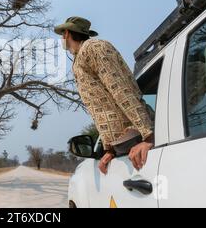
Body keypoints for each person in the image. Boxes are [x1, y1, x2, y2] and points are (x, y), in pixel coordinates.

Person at [55, 17, 155, 175]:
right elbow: (100, 110)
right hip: (123, 146)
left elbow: (121, 90)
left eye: (62, 34)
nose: (61, 39)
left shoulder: (94, 47)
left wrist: (148, 136)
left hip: (137, 140)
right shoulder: (80, 58)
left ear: (67, 33)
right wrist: (109, 149)